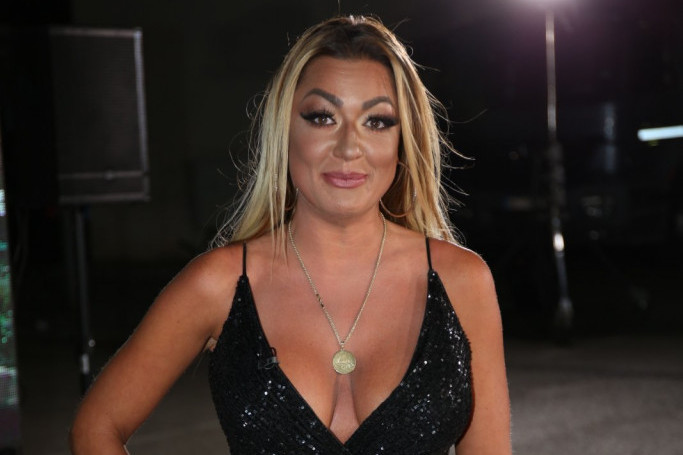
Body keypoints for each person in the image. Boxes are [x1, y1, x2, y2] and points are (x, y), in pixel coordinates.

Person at [70, 15, 510, 455]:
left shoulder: (462, 281)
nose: (348, 147)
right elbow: (96, 426)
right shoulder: (220, 284)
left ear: (403, 140)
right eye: (322, 117)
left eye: (376, 122)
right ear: (285, 130)